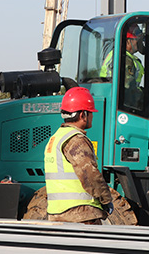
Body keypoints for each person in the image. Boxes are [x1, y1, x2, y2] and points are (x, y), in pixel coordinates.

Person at [44, 87, 114, 224]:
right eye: (91, 113)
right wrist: (106, 200)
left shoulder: (55, 138)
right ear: (83, 115)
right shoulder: (76, 140)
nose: (93, 116)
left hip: (56, 214)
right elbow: (90, 175)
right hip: (81, 215)